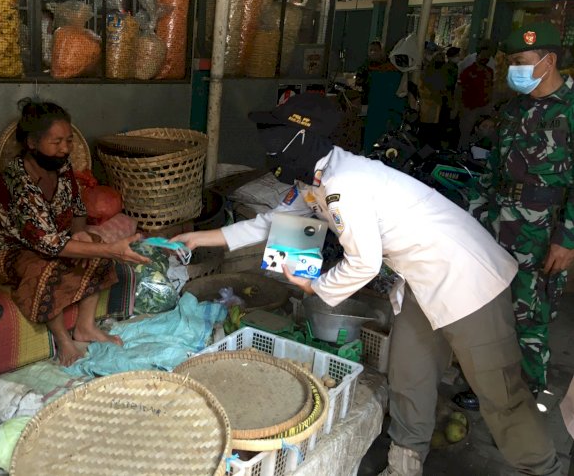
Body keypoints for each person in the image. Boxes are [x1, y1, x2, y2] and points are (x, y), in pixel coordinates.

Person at [172, 93, 562, 476]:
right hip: (421, 282)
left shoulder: (345, 184)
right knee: (410, 375)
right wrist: (199, 239)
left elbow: (364, 263)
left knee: (500, 395)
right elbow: (270, 222)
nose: (268, 146)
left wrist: (315, 286)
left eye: (277, 134)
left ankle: (541, 468)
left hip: (468, 281)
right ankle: (404, 464)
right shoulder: (315, 179)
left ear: (304, 138)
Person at [0, 98, 149, 366]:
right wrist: (109, 249)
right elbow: (49, 246)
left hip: (44, 239)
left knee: (94, 243)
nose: (64, 149)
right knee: (43, 266)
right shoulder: (18, 182)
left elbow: (78, 208)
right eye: (56, 142)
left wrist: (81, 235)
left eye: (68, 141)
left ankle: (86, 327)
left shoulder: (62, 168)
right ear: (32, 143)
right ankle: (63, 341)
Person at [468, 21, 574, 397]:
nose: (514, 69)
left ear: (549, 60)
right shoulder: (513, 109)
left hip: (544, 231)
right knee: (492, 308)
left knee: (531, 314)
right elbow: (493, 168)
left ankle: (526, 397)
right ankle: (488, 387)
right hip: (499, 222)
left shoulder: (571, 109)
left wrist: (568, 239)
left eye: (520, 61)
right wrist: (476, 214)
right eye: (510, 61)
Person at [457, 42, 495, 150]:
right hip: (469, 108)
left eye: (488, 56)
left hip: (485, 107)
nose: (485, 58)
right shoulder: (468, 71)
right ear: (478, 55)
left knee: (484, 135)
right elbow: (459, 89)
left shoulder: (489, 71)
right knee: (466, 134)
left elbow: (491, 88)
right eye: (483, 56)